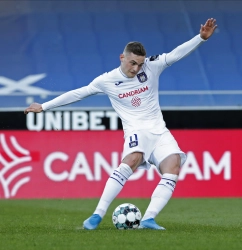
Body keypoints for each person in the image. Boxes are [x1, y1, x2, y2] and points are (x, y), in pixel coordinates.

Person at [24, 18, 217, 230]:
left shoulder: (151, 67)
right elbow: (78, 93)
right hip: (136, 131)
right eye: (132, 63)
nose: (136, 68)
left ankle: (148, 218)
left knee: (173, 166)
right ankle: (97, 215)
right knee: (132, 159)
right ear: (122, 57)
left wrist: (200, 38)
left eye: (140, 64)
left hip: (160, 132)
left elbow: (175, 54)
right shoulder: (107, 81)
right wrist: (44, 106)